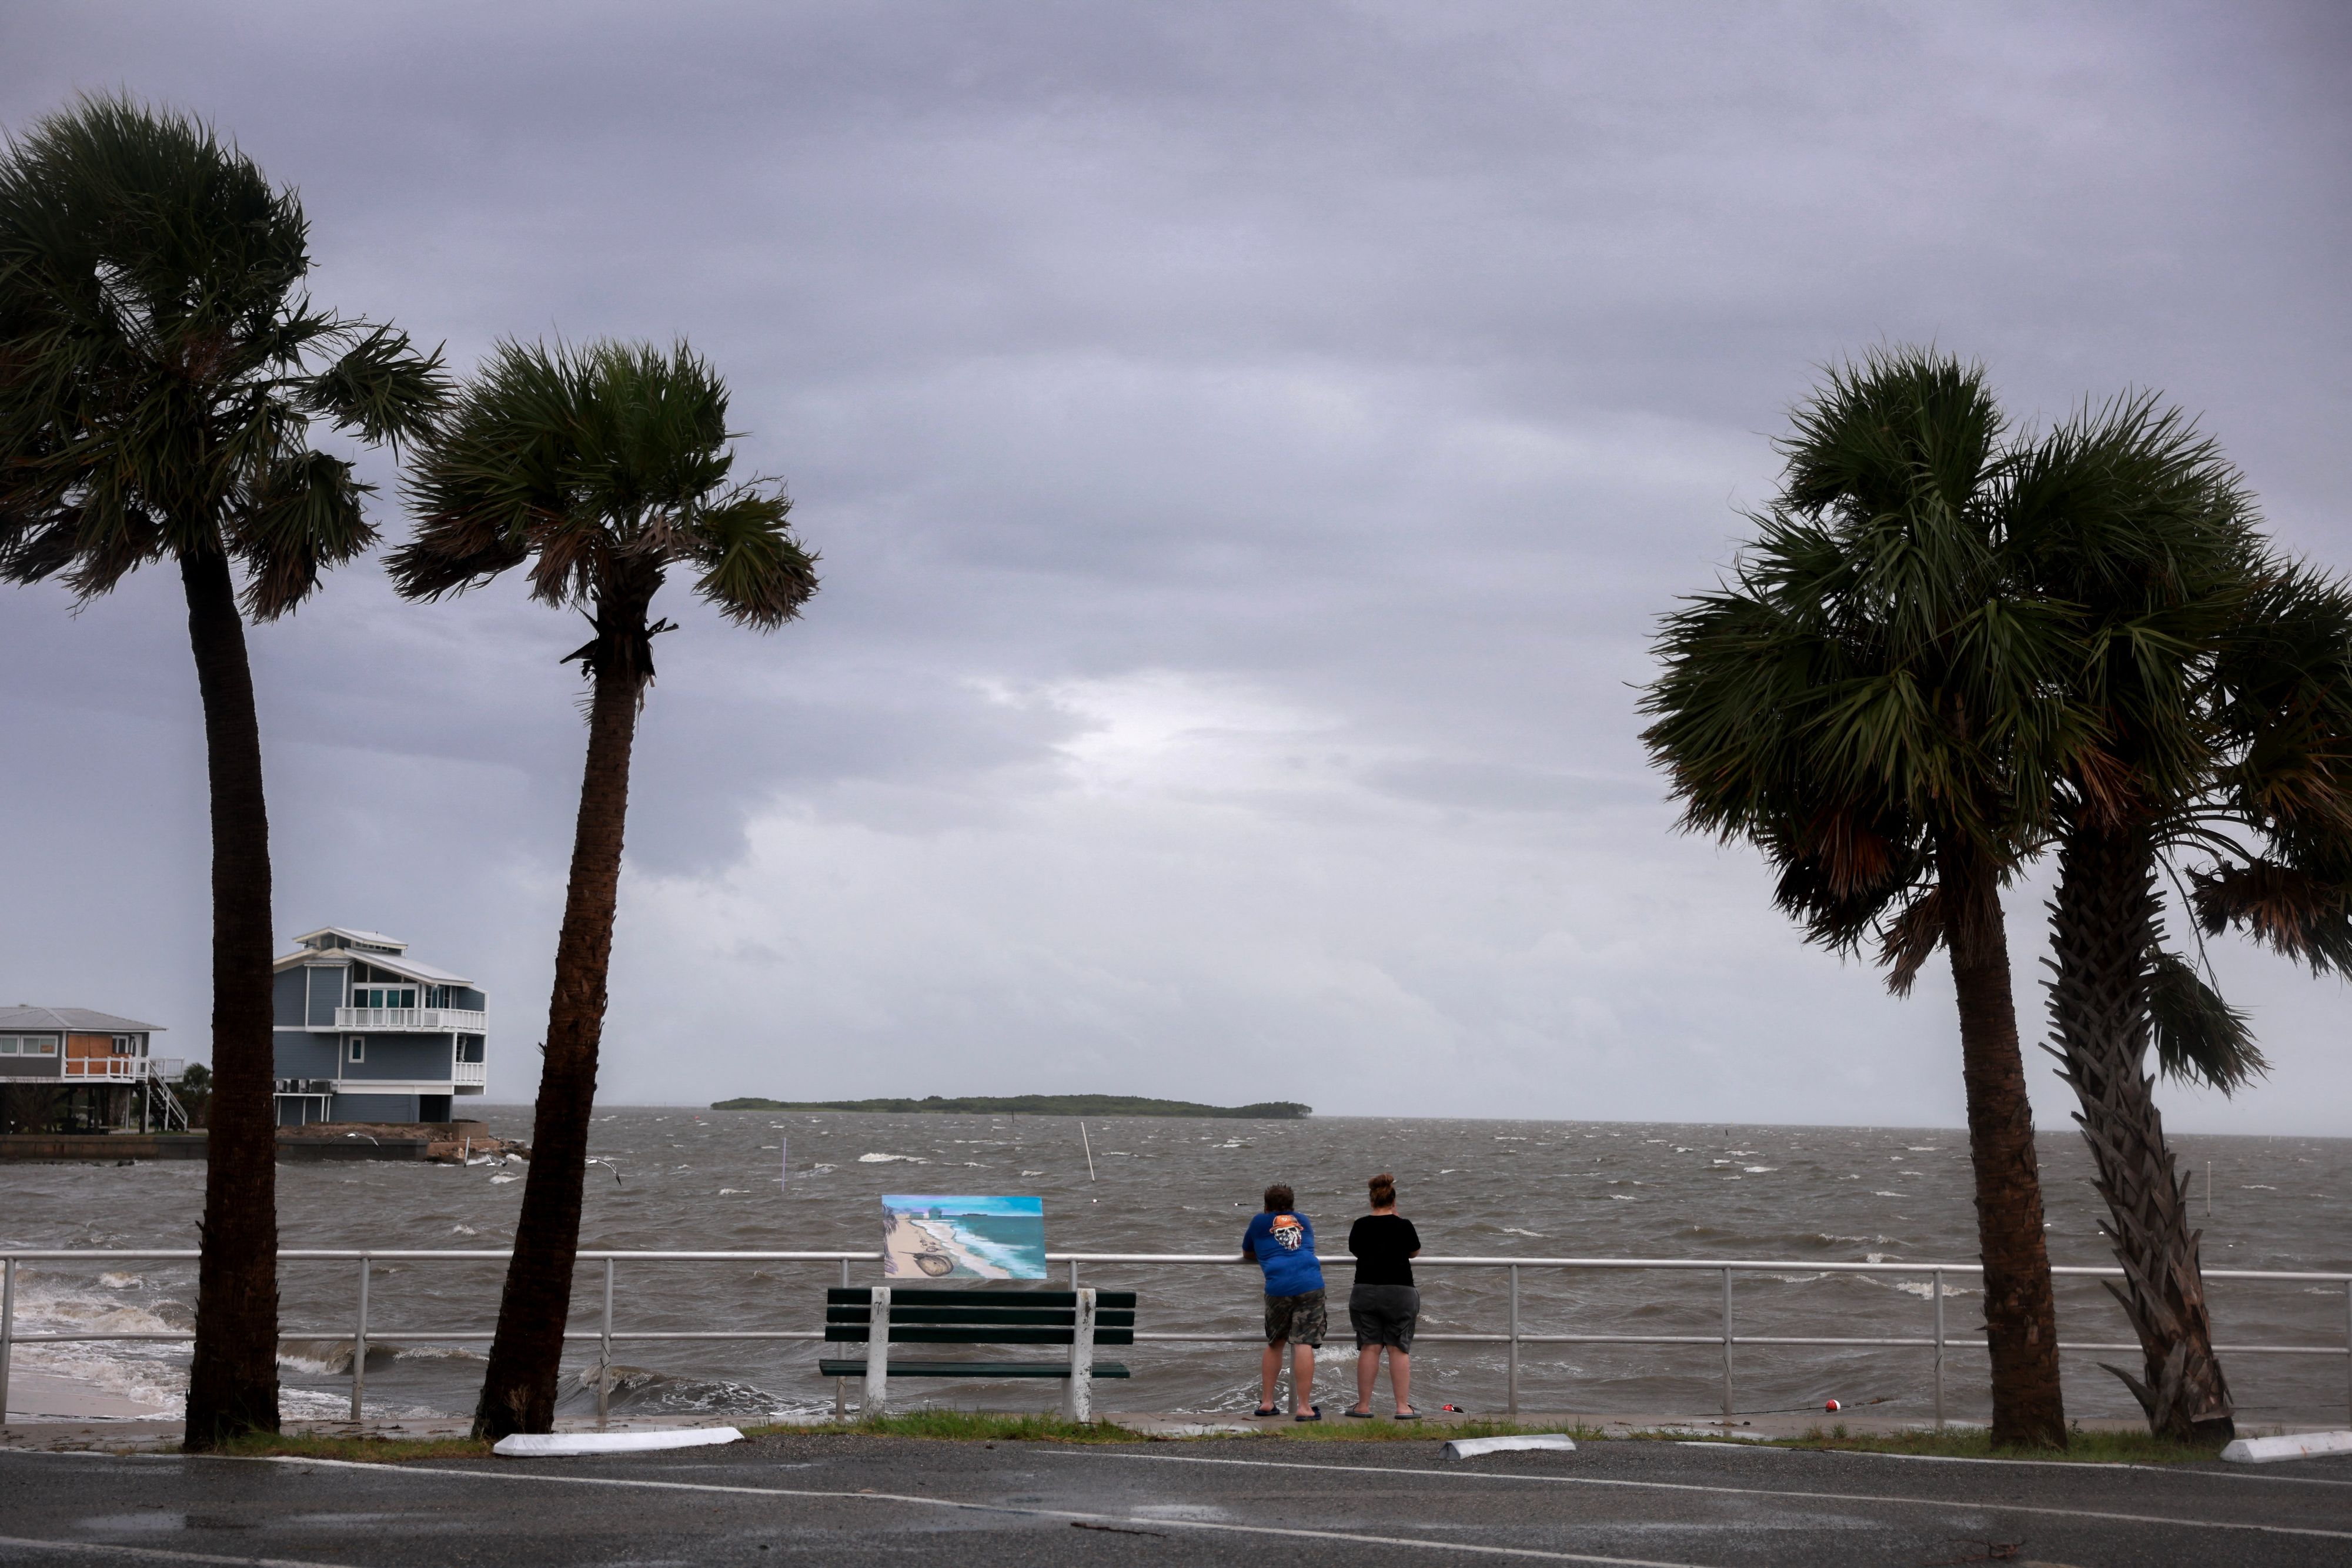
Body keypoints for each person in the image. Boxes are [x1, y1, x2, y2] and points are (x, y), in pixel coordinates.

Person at [1237, 1182, 1326, 1420]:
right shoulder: (1304, 1220)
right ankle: (1304, 1408)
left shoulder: (1258, 1222)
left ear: (1266, 1206)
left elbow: (1248, 1252)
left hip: (1278, 1286)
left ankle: (1267, 1402)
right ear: (1293, 1205)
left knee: (1276, 1342)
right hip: (1310, 1282)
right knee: (1304, 1343)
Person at [1345, 1171, 1422, 1419]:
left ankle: (1363, 1406)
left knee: (1370, 1347)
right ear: (1393, 1202)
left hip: (1365, 1289)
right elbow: (1414, 1252)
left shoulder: (1360, 1225)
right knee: (1398, 1348)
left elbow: (1356, 1250)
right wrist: (1397, 1221)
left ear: (1371, 1201)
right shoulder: (1404, 1225)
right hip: (1399, 1291)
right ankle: (1402, 1407)